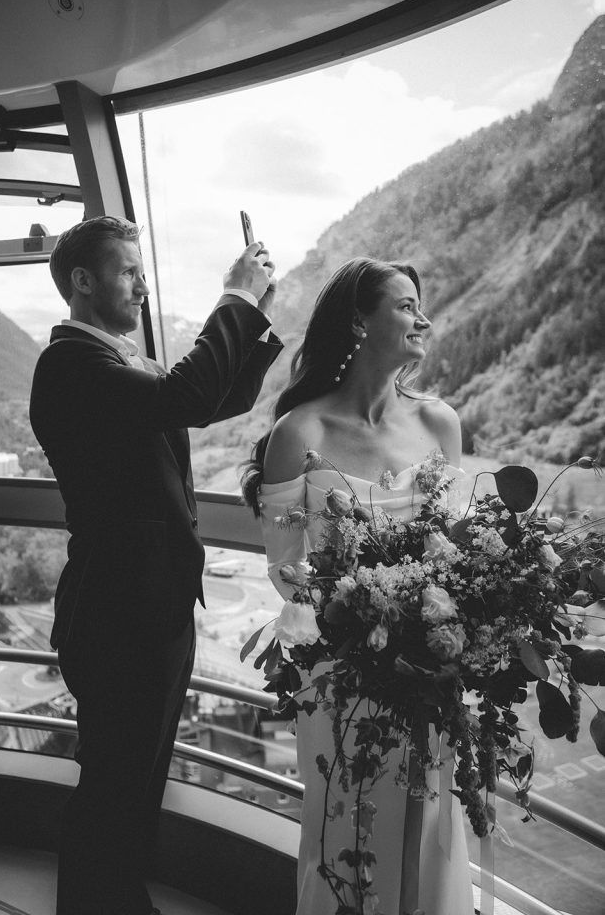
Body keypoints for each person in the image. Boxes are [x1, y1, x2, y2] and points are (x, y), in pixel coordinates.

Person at [30, 215, 282, 915]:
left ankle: (116, 897)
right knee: (113, 785)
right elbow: (186, 396)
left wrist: (252, 309)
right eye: (127, 271)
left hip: (151, 607)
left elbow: (217, 397)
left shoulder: (121, 362)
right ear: (82, 281)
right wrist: (232, 296)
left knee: (136, 783)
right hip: (117, 616)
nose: (142, 285)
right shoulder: (71, 365)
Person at [241, 257, 474, 915]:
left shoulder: (439, 424)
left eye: (418, 303)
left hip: (430, 665)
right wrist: (361, 616)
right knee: (346, 820)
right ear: (357, 320)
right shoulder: (300, 433)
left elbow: (452, 552)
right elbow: (287, 571)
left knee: (427, 823)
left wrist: (426, 623)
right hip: (340, 673)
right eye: (404, 304)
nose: (420, 316)